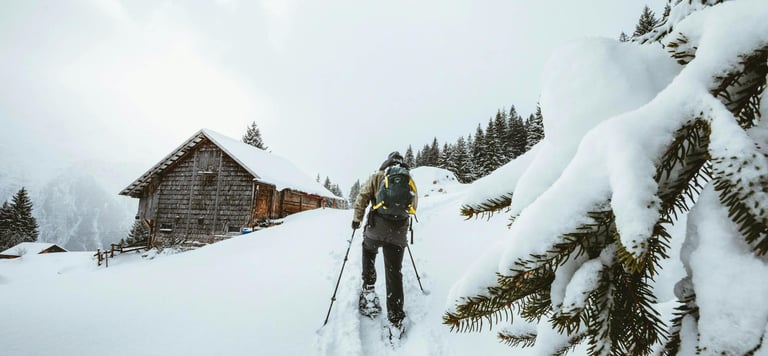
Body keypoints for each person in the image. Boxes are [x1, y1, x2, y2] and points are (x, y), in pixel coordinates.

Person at [351, 151, 418, 337]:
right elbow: (414, 206)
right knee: (394, 271)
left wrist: (357, 219)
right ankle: (395, 319)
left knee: (368, 251)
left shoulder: (377, 176)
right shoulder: (408, 179)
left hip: (375, 229)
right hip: (397, 235)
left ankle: (369, 291)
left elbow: (362, 197)